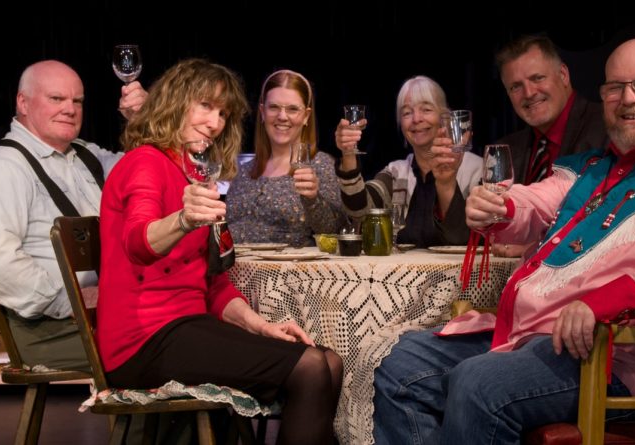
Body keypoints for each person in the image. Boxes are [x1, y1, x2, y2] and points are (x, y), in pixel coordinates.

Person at [372, 38, 635, 444]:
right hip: (534, 336)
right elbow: (535, 201)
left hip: (618, 357)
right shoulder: (591, 167)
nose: (628, 98)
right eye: (614, 88)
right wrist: (500, 208)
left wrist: (614, 297)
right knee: (401, 365)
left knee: (478, 382)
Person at [98, 59, 342, 444]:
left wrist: (262, 326)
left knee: (329, 360)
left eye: (223, 114)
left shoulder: (190, 173)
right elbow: (137, 243)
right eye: (205, 106)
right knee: (311, 366)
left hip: (187, 326)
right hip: (143, 340)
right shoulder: (145, 161)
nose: (215, 123)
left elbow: (214, 284)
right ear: (175, 102)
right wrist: (183, 219)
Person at [0, 60, 145, 372]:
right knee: (168, 347)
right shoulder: (2, 167)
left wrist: (142, 122)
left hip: (108, 315)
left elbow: (148, 172)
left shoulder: (86, 155)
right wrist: (71, 300)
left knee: (192, 331)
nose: (70, 109)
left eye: (77, 101)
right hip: (47, 330)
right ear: (22, 102)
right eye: (56, 99)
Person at [492, 35, 608, 257]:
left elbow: (608, 217)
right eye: (516, 86)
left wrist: (533, 246)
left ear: (563, 75)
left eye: (537, 78)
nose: (529, 93)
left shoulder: (607, 128)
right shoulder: (505, 149)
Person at [335, 75, 481, 247]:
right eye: (406, 113)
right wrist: (348, 153)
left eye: (426, 109)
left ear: (445, 117)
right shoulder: (396, 173)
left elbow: (477, 237)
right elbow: (360, 210)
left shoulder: (475, 170)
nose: (416, 119)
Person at [226, 69, 344, 247]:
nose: (282, 116)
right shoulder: (244, 171)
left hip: (290, 273)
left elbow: (335, 231)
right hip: (233, 272)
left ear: (306, 116)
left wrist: (313, 200)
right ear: (262, 112)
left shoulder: (320, 165)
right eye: (274, 107)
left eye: (292, 109)